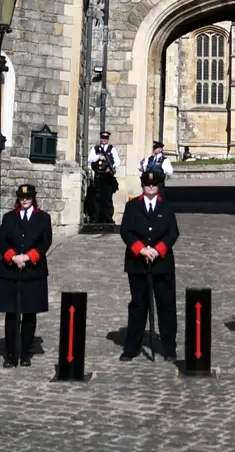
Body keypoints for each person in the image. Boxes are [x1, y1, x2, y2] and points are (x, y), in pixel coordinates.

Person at [118, 167, 179, 360]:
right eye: (147, 184)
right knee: (138, 305)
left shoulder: (166, 207)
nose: (150, 188)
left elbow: (172, 232)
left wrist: (158, 250)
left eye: (153, 184)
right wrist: (141, 249)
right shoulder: (133, 206)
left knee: (166, 305)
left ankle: (168, 346)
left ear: (158, 186)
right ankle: (132, 346)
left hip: (162, 262)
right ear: (143, 185)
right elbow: (126, 231)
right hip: (138, 262)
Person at [0, 183, 52, 366]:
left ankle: (25, 353)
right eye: (22, 197)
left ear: (33, 198)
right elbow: (2, 241)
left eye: (28, 197)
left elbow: (45, 243)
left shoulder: (43, 218)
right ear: (18, 199)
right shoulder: (9, 217)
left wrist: (28, 257)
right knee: (11, 314)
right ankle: (10, 355)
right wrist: (13, 257)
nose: (25, 200)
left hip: (33, 271)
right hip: (11, 270)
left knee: (29, 313)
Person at [86, 132, 121, 224]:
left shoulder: (111, 149)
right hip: (99, 176)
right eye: (102, 138)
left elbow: (117, 161)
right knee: (97, 198)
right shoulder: (95, 149)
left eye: (106, 138)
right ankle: (96, 218)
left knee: (107, 198)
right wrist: (99, 157)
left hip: (108, 177)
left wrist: (111, 167)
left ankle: (108, 218)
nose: (104, 139)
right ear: (100, 138)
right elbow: (90, 159)